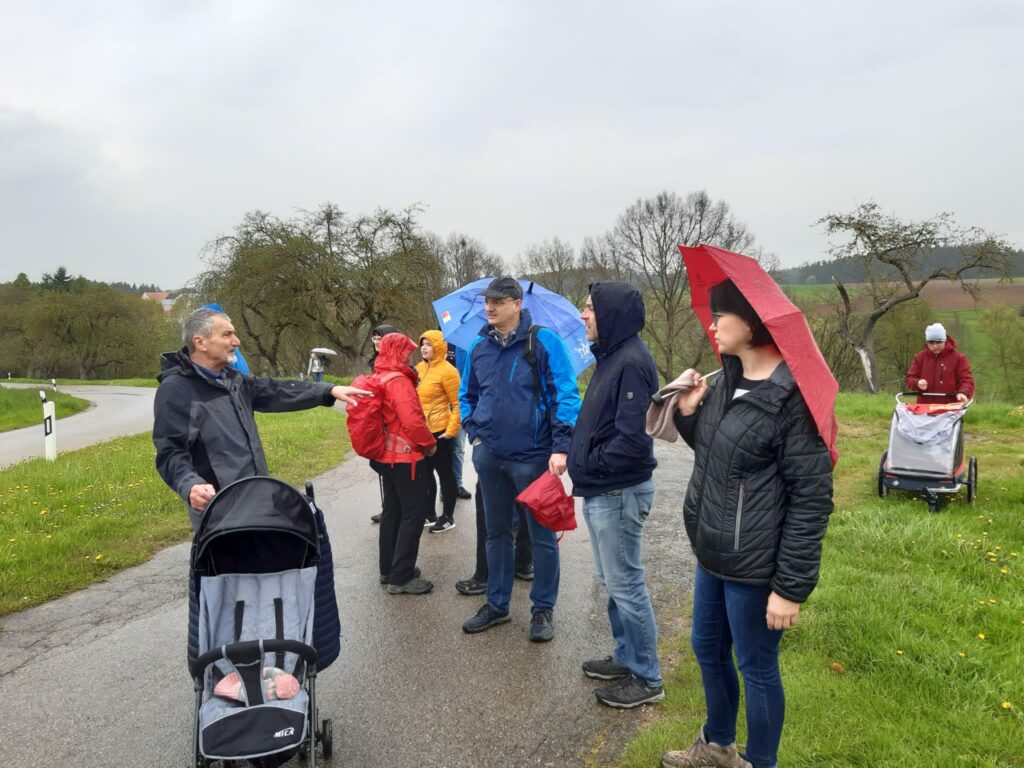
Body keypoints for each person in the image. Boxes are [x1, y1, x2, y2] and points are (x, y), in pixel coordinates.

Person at [660, 279, 833, 768]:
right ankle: (717, 746)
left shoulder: (790, 399)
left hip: (757, 563)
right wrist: (691, 415)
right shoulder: (725, 379)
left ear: (751, 322)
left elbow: (811, 497)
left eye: (720, 316)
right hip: (712, 549)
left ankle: (760, 762)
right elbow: (724, 458)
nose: (711, 325)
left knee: (755, 666)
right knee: (707, 650)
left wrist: (790, 587)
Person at [458, 276, 581, 642]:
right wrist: (475, 435)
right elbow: (468, 394)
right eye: (487, 301)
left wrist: (561, 447)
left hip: (533, 457)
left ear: (517, 304)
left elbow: (566, 394)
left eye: (498, 301)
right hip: (490, 455)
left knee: (541, 537)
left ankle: (542, 609)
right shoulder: (479, 346)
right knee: (495, 534)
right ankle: (497, 606)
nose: (490, 307)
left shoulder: (542, 341)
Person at [569, 282, 664, 709]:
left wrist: (588, 463)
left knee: (626, 585)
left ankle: (647, 678)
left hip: (618, 492)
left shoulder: (631, 363)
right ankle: (627, 657)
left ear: (611, 315)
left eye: (589, 308)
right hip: (603, 490)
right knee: (613, 582)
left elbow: (632, 442)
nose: (583, 315)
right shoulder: (611, 357)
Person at [371, 332, 438, 594]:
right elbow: (412, 421)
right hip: (406, 457)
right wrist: (429, 443)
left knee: (392, 512)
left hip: (386, 456)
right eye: (406, 352)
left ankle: (388, 570)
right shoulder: (399, 381)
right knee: (414, 514)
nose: (409, 355)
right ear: (397, 353)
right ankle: (402, 576)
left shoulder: (380, 375)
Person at [416, 330, 461, 533]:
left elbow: (458, 404)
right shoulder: (418, 368)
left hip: (439, 431)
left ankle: (448, 516)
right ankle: (429, 513)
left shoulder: (448, 371)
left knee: (445, 475)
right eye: (422, 344)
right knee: (424, 475)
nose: (424, 347)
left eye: (429, 344)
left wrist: (451, 430)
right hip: (420, 432)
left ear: (439, 347)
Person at [368, 324, 400, 524]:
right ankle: (389, 507)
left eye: (381, 338)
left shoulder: (396, 362)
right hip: (376, 421)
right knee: (377, 463)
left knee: (390, 467)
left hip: (392, 423)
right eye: (374, 338)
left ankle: (393, 507)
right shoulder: (374, 362)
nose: (377, 342)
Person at [905, 323, 975, 405]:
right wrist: (917, 383)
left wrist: (963, 392)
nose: (935, 346)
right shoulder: (919, 357)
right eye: (931, 343)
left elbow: (967, 380)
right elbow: (910, 378)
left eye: (938, 342)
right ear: (927, 342)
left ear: (944, 340)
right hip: (925, 408)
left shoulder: (959, 358)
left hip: (950, 409)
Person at [446, 342, 473, 500]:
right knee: (443, 449)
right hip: (441, 404)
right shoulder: (435, 342)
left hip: (459, 401)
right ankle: (446, 486)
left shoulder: (465, 344)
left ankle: (457, 484)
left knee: (457, 447)